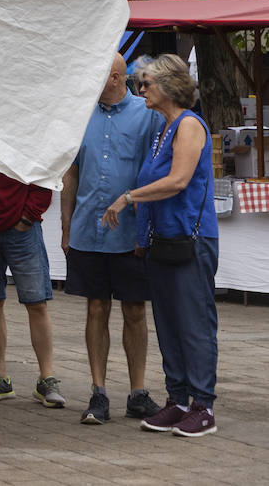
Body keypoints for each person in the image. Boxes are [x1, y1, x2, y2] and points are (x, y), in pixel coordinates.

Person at [102, 53, 219, 437]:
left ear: (169, 85)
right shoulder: (163, 129)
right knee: (169, 324)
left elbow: (177, 181)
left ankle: (203, 405)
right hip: (162, 243)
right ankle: (179, 399)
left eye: (146, 83)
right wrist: (141, 239)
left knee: (193, 324)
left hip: (190, 239)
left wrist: (128, 197)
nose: (141, 89)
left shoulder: (188, 125)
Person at [62, 53, 164, 424]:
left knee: (135, 310)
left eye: (99, 74)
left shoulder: (147, 115)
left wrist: (148, 226)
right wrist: (66, 225)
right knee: (95, 307)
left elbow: (156, 171)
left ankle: (138, 392)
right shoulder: (80, 115)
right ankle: (98, 391)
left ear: (117, 77)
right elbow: (70, 174)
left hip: (132, 229)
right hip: (89, 228)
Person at [0, 171, 65, 408]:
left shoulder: (27, 133)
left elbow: (44, 170)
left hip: (22, 229)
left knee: (37, 303)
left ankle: (46, 378)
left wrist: (28, 216)